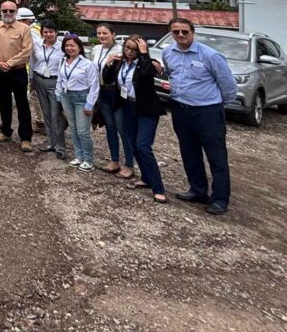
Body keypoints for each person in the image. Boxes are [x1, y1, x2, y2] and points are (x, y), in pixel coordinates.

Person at [162, 18, 237, 215]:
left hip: (207, 111)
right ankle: (197, 190)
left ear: (192, 32)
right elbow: (171, 75)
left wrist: (217, 105)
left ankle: (220, 198)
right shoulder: (168, 52)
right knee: (189, 153)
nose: (180, 36)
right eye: (176, 32)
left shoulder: (211, 55)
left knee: (216, 157)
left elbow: (228, 86)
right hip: (180, 110)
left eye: (184, 32)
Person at [119, 35, 167, 204]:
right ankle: (146, 178)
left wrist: (145, 53)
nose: (130, 51)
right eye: (127, 48)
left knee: (143, 146)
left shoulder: (147, 62)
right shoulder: (123, 63)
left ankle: (158, 188)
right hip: (128, 107)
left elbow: (148, 73)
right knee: (133, 144)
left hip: (146, 109)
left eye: (134, 49)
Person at [0, 1, 34, 151]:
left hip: (17, 71)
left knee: (22, 104)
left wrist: (9, 63)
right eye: (5, 10)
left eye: (11, 10)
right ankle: (5, 131)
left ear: (16, 12)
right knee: (4, 102)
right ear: (0, 11)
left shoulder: (24, 29)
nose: (8, 13)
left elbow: (26, 50)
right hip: (0, 71)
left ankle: (26, 138)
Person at [90, 24, 131, 177]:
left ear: (113, 34)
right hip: (101, 91)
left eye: (105, 33)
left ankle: (129, 164)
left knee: (122, 129)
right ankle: (114, 160)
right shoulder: (96, 49)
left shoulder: (120, 50)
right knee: (110, 127)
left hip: (116, 91)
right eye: (99, 33)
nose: (101, 36)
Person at [55, 35, 99, 171]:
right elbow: (59, 80)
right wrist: (58, 96)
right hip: (66, 97)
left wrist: (90, 104)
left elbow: (94, 85)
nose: (69, 48)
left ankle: (88, 160)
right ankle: (79, 157)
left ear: (79, 47)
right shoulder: (63, 61)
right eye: (67, 46)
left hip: (82, 98)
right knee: (73, 129)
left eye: (72, 45)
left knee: (83, 131)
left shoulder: (88, 64)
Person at [30, 20, 67, 159]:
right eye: (45, 32)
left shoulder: (62, 47)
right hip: (39, 80)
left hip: (55, 81)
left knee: (55, 114)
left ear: (56, 32)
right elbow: (33, 62)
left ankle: (60, 146)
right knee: (46, 113)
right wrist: (31, 80)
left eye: (51, 31)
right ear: (41, 33)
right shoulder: (37, 45)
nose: (48, 34)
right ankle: (51, 142)